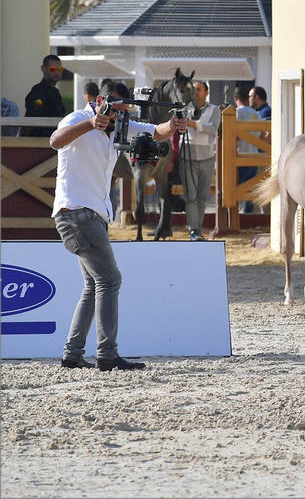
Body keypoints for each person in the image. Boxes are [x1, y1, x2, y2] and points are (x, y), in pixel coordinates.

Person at [51, 80, 186, 370]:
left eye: (124, 112)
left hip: (90, 215)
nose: (119, 117)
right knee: (110, 281)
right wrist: (91, 123)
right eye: (115, 111)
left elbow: (156, 132)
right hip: (76, 212)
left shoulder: (120, 123)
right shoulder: (78, 118)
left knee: (93, 285)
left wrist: (172, 125)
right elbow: (55, 141)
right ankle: (107, 355)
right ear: (100, 101)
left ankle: (72, 354)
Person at [181, 80, 221, 241]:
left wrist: (194, 125)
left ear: (206, 92)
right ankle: (194, 230)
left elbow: (214, 129)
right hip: (187, 156)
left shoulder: (214, 110)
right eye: (193, 89)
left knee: (202, 196)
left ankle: (197, 227)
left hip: (207, 158)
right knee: (191, 195)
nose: (195, 92)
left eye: (198, 89)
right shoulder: (184, 108)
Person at [24, 55, 68, 137]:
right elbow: (31, 121)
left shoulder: (55, 92)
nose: (57, 73)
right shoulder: (38, 92)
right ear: (43, 69)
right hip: (39, 143)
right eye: (53, 69)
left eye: (60, 69)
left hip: (54, 141)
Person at [233, 86, 260, 214]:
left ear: (236, 98)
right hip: (254, 156)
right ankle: (247, 214)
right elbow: (260, 135)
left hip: (240, 156)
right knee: (249, 189)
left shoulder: (237, 113)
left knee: (235, 188)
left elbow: (234, 136)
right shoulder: (256, 114)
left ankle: (234, 213)